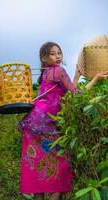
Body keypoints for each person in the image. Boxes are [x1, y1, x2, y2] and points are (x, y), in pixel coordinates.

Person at [18, 42, 108, 200]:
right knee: (60, 172)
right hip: (48, 128)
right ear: (44, 58)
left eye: (59, 53)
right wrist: (94, 79)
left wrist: (77, 75)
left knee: (36, 174)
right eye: (53, 54)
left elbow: (64, 94)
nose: (58, 56)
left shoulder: (47, 73)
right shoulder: (59, 70)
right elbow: (75, 94)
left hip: (32, 125)